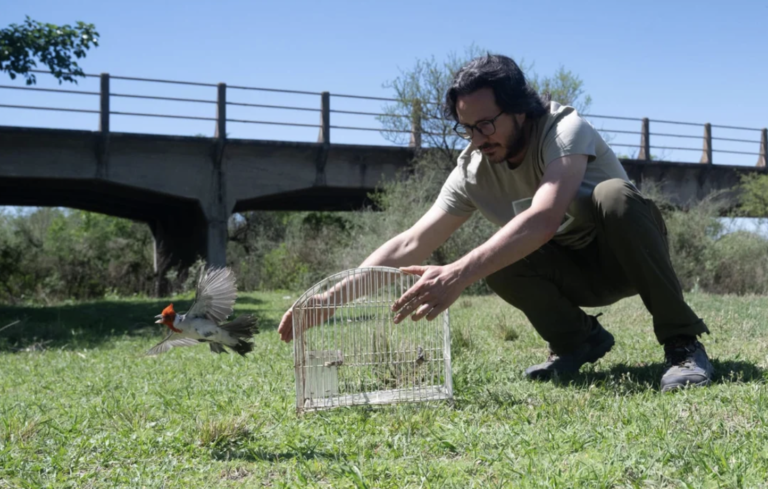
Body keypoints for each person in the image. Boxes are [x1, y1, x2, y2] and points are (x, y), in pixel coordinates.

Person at [278, 54, 713, 392]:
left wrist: (457, 274)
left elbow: (543, 219)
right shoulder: (472, 169)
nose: (478, 138)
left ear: (520, 110)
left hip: (627, 256)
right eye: (468, 128)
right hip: (571, 274)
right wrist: (332, 298)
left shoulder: (564, 130)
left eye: (486, 124)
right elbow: (411, 241)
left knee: (613, 196)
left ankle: (683, 344)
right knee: (497, 253)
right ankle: (577, 342)